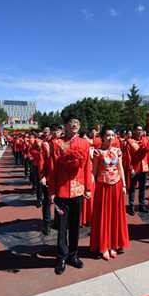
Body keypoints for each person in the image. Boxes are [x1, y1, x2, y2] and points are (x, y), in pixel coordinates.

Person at [49, 114, 93, 275]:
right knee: (61, 225)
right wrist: (52, 191)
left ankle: (73, 255)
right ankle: (61, 256)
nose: (75, 125)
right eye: (71, 122)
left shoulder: (84, 143)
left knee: (75, 225)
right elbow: (52, 168)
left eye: (77, 122)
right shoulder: (57, 143)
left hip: (79, 189)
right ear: (66, 125)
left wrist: (88, 188)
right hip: (61, 190)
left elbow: (87, 167)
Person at [90, 126, 129, 260]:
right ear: (102, 137)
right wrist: (89, 188)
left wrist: (124, 185)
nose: (110, 138)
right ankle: (104, 246)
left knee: (115, 216)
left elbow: (121, 169)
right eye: (107, 135)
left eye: (112, 135)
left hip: (117, 186)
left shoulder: (118, 151)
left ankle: (114, 244)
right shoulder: (97, 153)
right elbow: (93, 172)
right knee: (104, 216)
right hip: (103, 187)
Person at [126, 124, 149, 215]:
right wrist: (130, 168)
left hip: (144, 167)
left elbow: (148, 154)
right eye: (137, 130)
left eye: (141, 130)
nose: (139, 132)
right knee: (132, 188)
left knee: (142, 187)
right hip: (134, 167)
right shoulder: (129, 141)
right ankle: (132, 206)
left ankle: (142, 205)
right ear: (133, 130)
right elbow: (128, 157)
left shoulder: (146, 140)